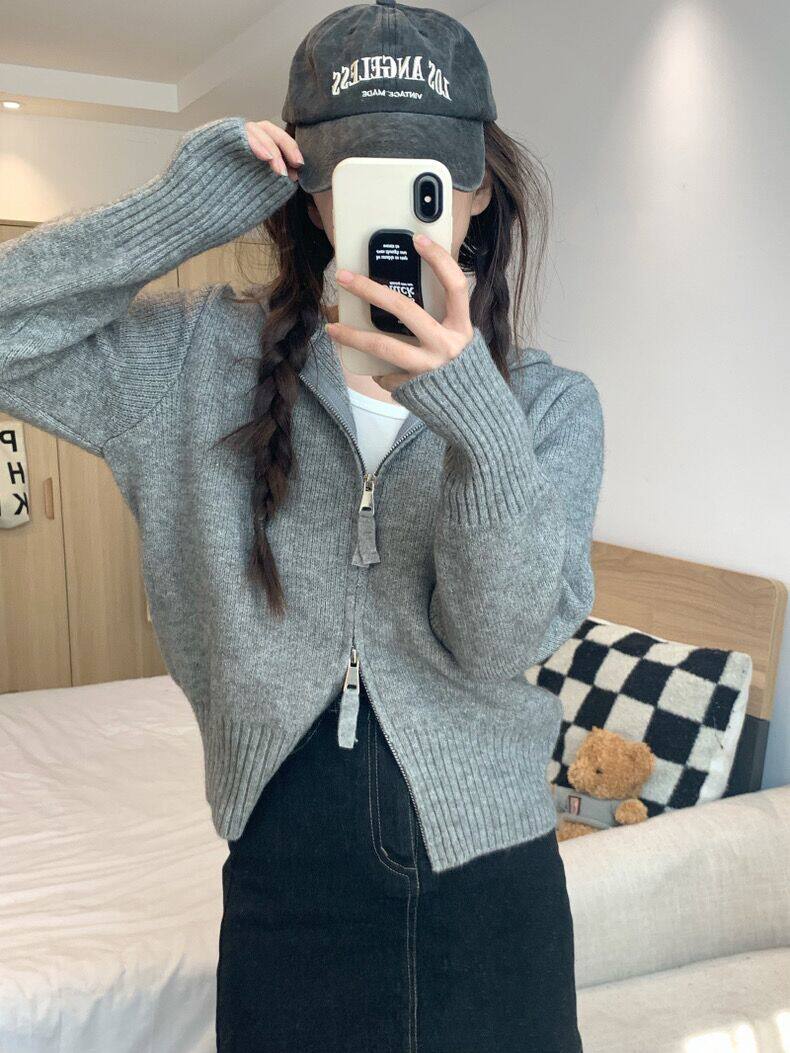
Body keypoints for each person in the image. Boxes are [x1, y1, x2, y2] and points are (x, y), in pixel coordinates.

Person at [0, 1, 604, 1049]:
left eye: (426, 178)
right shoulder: (188, 361)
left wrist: (476, 421)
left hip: (493, 876)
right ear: (313, 196)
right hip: (286, 871)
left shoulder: (550, 407)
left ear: (474, 192)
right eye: (360, 174)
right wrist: (176, 214)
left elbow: (497, 640)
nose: (397, 207)